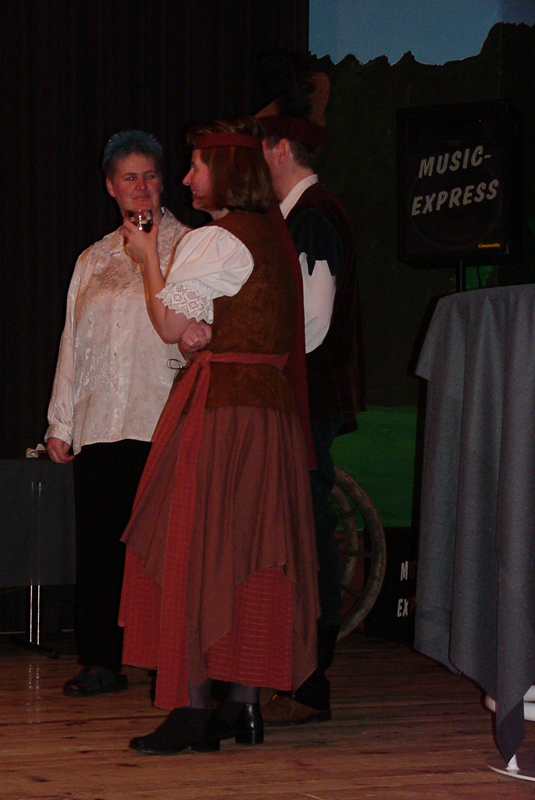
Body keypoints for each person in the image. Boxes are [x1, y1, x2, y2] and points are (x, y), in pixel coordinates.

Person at [118, 117, 320, 755]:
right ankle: (244, 706)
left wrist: (148, 259)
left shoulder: (216, 239)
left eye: (197, 167)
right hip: (268, 414)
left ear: (226, 172)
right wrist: (203, 334)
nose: (185, 179)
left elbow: (169, 324)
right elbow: (220, 325)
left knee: (193, 544)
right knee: (248, 548)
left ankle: (193, 707)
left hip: (224, 413)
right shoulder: (272, 237)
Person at [45, 130, 189, 697]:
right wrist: (61, 422)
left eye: (150, 175)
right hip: (102, 421)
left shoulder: (189, 246)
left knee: (164, 548)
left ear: (163, 181)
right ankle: (102, 660)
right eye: (130, 177)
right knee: (101, 547)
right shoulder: (93, 258)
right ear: (111, 187)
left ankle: (168, 659)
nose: (142, 187)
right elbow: (72, 341)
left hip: (163, 418)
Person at [257, 64, 365, 726]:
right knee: (302, 526)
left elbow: (313, 321)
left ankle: (312, 674)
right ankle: (299, 667)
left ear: (278, 149)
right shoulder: (299, 216)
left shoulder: (315, 216)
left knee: (310, 528)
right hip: (299, 395)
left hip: (308, 398)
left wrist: (267, 368)